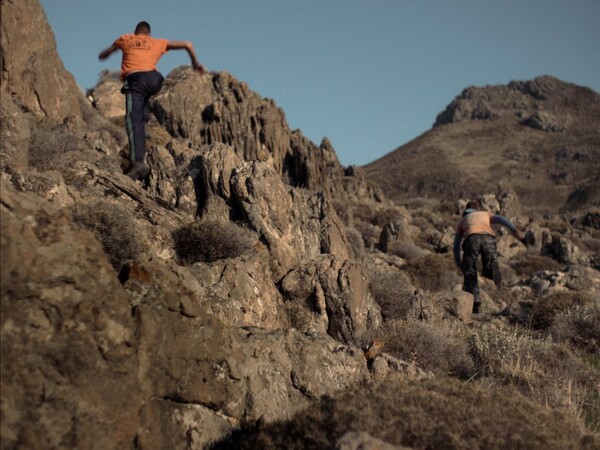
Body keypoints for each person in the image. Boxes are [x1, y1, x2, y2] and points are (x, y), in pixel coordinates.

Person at [99, 21, 205, 180]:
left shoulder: (126, 39)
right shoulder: (158, 42)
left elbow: (108, 52)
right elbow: (188, 44)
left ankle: (138, 163)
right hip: (155, 80)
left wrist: (105, 54)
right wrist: (195, 64)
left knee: (132, 119)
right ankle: (146, 123)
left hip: (135, 78)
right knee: (143, 99)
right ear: (149, 34)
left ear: (136, 32)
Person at [453, 200, 525, 314]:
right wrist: (514, 229)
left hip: (472, 239)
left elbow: (456, 245)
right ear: (477, 209)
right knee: (490, 263)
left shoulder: (462, 221)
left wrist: (459, 262)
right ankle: (492, 270)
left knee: (470, 270)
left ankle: (475, 302)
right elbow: (502, 219)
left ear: (465, 211)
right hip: (488, 238)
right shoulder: (485, 214)